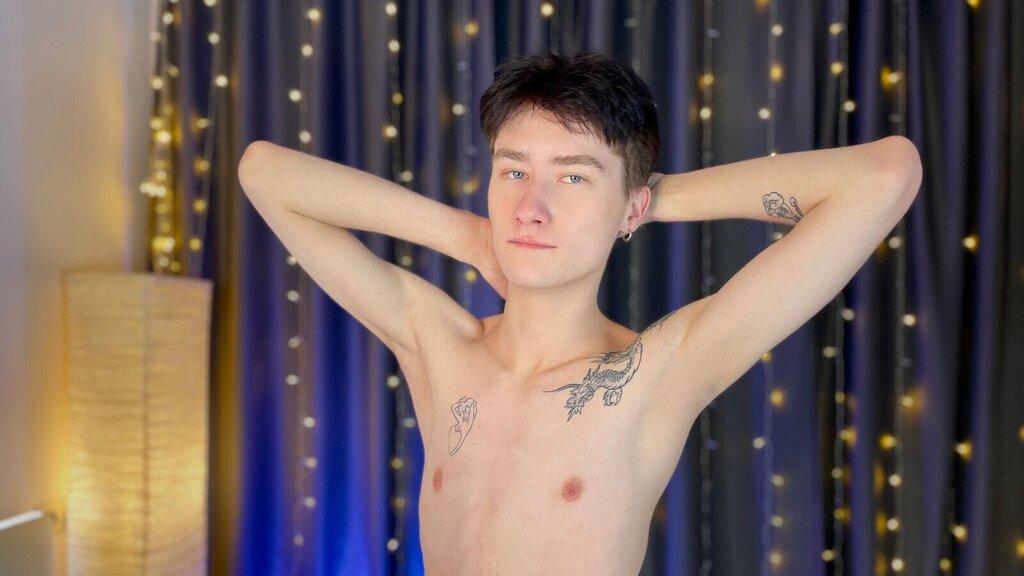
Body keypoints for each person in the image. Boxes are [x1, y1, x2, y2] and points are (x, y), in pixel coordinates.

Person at [238, 52, 921, 575]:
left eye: (572, 177)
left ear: (629, 205)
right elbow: (263, 171)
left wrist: (648, 200)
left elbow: (886, 175)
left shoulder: (655, 372)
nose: (531, 208)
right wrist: (469, 237)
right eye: (513, 171)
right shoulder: (436, 343)